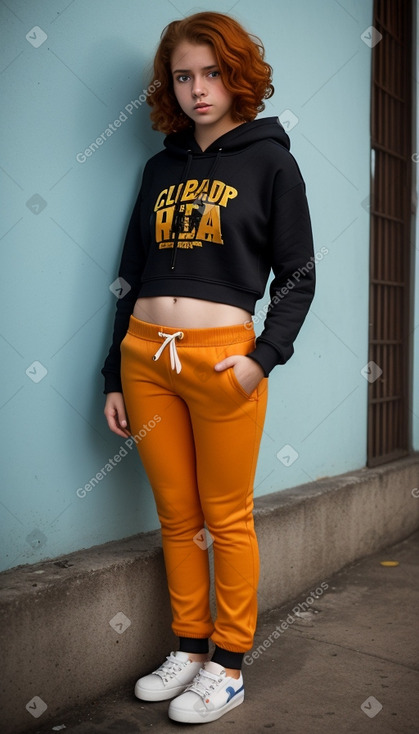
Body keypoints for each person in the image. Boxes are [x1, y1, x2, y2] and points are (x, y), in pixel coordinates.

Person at [102, 10, 315, 725]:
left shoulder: (270, 161)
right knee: (176, 515)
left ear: (236, 75)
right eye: (183, 76)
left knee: (225, 518)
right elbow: (128, 274)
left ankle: (227, 665)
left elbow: (299, 274)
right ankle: (188, 649)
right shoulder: (158, 168)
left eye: (212, 73)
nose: (198, 89)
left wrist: (261, 359)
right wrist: (112, 373)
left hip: (222, 364)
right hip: (145, 359)